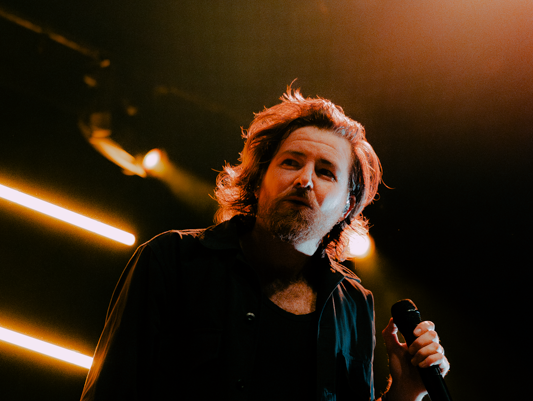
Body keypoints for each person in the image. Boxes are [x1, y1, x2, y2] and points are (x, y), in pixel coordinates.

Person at [80, 88, 449, 401]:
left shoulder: (354, 304)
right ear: (258, 181)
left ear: (347, 206)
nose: (304, 180)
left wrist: (405, 391)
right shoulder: (171, 260)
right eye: (291, 163)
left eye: (325, 172)